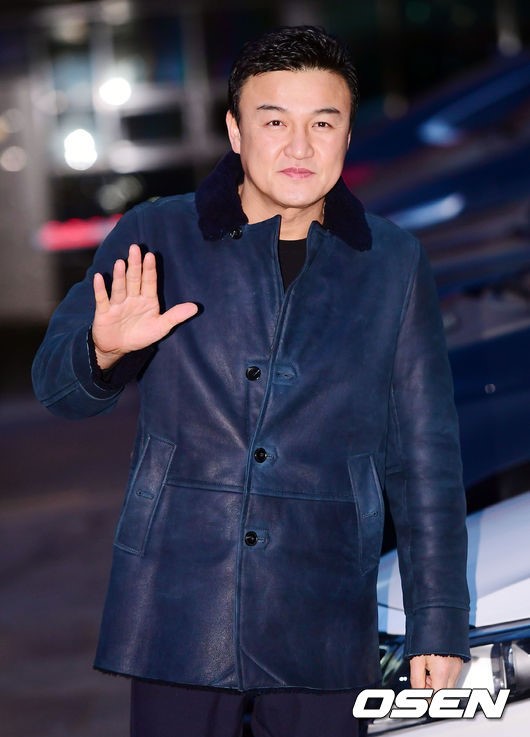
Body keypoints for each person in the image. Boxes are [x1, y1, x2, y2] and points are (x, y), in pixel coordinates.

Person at [32, 25, 470, 737]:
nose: (300, 147)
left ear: (348, 134)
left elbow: (426, 456)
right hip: (177, 610)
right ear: (236, 132)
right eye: (274, 122)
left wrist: (439, 620)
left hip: (325, 617)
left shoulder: (392, 262)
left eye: (322, 123)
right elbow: (56, 388)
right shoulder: (157, 235)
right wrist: (101, 350)